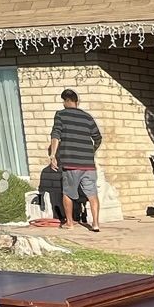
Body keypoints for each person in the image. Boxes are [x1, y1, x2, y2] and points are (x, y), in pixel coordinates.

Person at [47, 89, 104, 232]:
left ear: (66, 101)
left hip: (71, 163)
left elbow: (56, 135)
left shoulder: (60, 115)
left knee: (67, 193)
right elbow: (98, 137)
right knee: (92, 194)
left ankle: (69, 223)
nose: (63, 104)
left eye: (63, 101)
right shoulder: (88, 117)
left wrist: (53, 155)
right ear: (77, 101)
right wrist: (91, 151)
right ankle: (95, 224)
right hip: (88, 165)